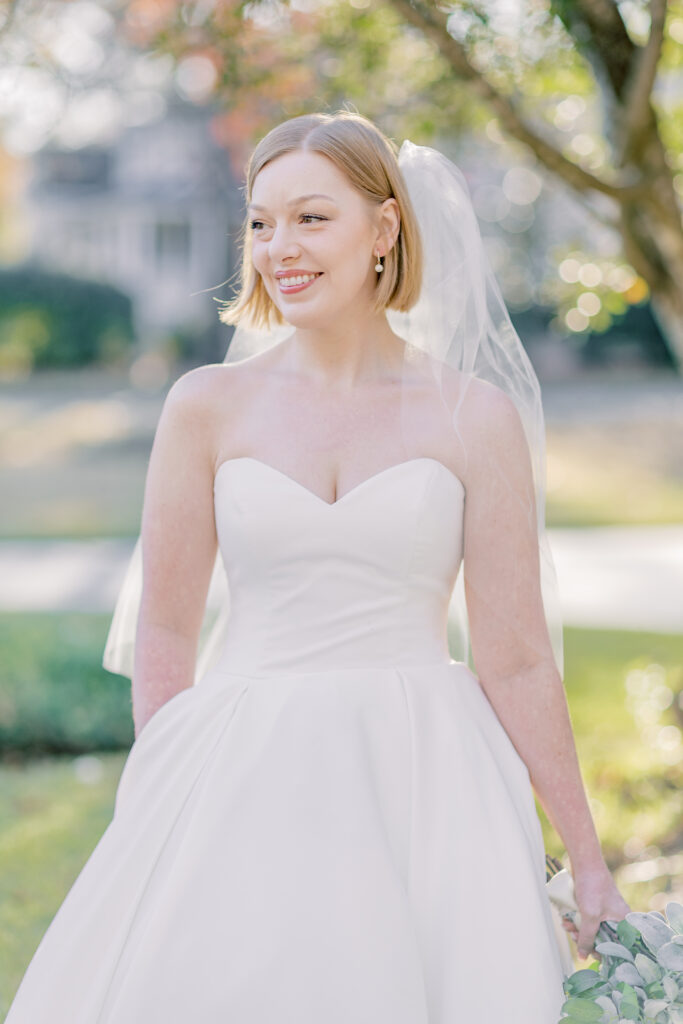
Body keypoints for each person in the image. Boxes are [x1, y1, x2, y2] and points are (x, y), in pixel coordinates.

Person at [6, 110, 629, 1024]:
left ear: (383, 230)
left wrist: (586, 859)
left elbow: (518, 658)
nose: (276, 248)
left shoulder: (474, 418)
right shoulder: (206, 407)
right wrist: (163, 789)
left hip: (424, 774)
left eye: (310, 218)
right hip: (241, 764)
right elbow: (167, 629)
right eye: (259, 222)